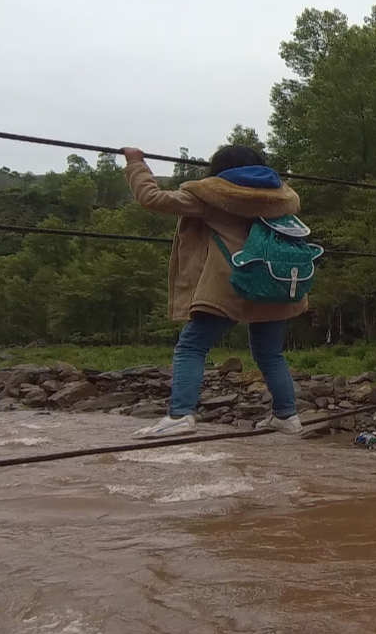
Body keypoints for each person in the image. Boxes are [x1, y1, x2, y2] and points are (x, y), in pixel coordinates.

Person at [121, 144, 307, 439]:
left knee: (192, 347)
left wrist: (135, 163)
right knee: (270, 353)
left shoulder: (212, 195)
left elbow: (152, 198)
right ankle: (287, 416)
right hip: (276, 282)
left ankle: (181, 414)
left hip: (228, 284)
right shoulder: (282, 197)